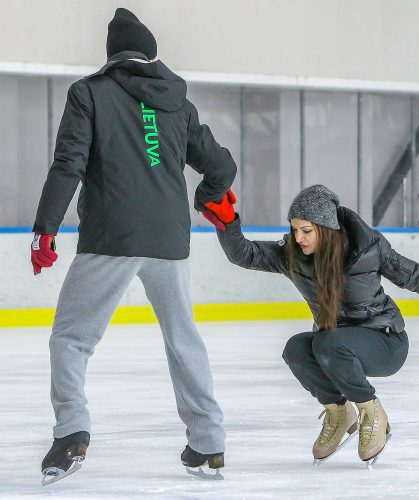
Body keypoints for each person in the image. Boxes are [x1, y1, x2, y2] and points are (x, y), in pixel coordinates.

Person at [31, 8, 235, 483]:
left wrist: (46, 229)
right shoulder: (178, 105)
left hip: (111, 237)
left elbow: (69, 164)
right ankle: (208, 444)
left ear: (112, 59)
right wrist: (207, 201)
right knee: (184, 340)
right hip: (169, 239)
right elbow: (221, 165)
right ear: (152, 55)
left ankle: (71, 433)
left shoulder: (89, 93)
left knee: (71, 338)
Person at [203, 184, 419, 466]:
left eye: (306, 231)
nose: (299, 238)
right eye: (294, 230)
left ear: (327, 229)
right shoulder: (292, 256)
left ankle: (372, 412)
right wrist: (228, 222)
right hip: (336, 344)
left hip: (384, 341)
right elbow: (245, 254)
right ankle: (338, 412)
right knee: (296, 348)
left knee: (327, 343)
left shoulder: (367, 249)